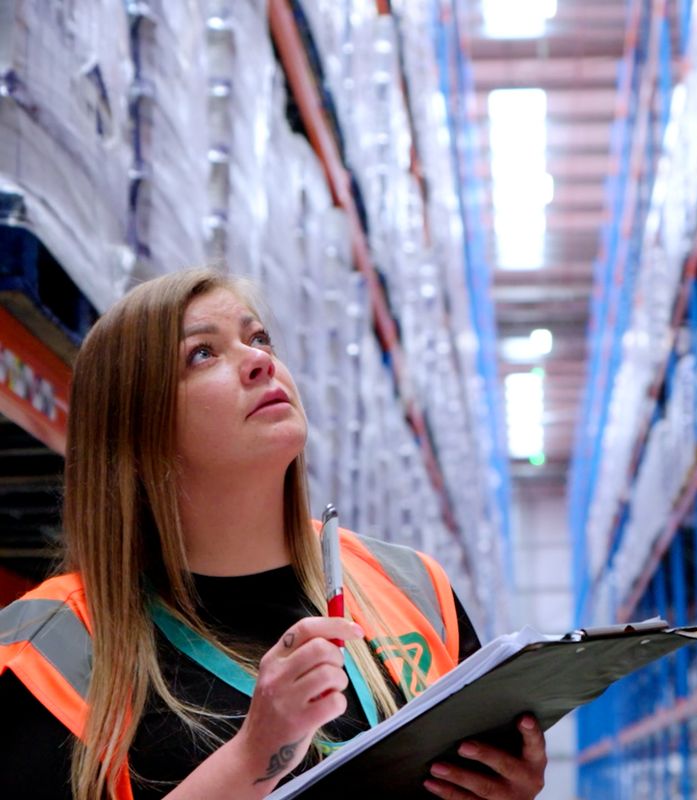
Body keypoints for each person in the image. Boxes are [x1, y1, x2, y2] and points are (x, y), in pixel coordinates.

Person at [0, 268, 547, 799]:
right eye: (202, 353)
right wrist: (253, 755)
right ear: (135, 429)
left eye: (258, 337)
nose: (259, 360)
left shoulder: (413, 588)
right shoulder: (51, 649)